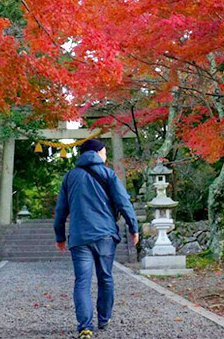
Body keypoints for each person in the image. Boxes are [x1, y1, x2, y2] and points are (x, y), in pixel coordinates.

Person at [53, 138, 140, 339]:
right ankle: (104, 318)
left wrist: (59, 235)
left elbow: (60, 210)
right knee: (105, 277)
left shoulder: (70, 177)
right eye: (105, 151)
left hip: (80, 236)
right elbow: (123, 202)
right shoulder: (108, 174)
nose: (106, 154)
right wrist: (133, 227)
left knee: (82, 281)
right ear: (98, 152)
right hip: (105, 235)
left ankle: (85, 327)